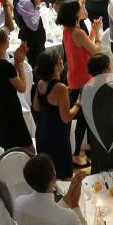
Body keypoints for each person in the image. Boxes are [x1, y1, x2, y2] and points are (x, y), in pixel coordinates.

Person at [59, 0, 101, 165]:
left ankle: (89, 147)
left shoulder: (68, 31)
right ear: (76, 14)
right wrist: (97, 35)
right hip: (84, 79)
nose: (85, 9)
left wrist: (92, 30)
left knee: (85, 117)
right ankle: (76, 154)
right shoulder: (77, 32)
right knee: (84, 119)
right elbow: (95, 51)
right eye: (82, 8)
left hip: (75, 77)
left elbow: (82, 47)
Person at [32, 50, 79, 179]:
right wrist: (78, 103)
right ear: (54, 67)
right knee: (63, 175)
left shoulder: (40, 83)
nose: (61, 61)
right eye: (59, 60)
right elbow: (66, 118)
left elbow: (36, 107)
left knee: (48, 173)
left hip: (42, 134)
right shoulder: (60, 88)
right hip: (57, 138)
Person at [0, 28, 32, 152]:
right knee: (29, 149)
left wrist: (16, 61)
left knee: (10, 149)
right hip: (11, 113)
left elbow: (7, 78)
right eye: (7, 38)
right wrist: (20, 63)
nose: (9, 40)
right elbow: (22, 88)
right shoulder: (4, 66)